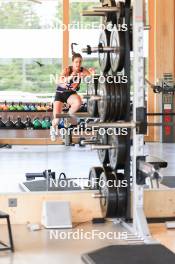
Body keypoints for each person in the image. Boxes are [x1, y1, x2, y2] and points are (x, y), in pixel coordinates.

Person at [50, 53, 94, 141]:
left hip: (70, 94)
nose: (78, 64)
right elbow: (59, 82)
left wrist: (92, 74)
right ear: (73, 62)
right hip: (60, 93)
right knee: (56, 120)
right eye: (76, 62)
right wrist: (70, 77)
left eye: (80, 62)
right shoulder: (67, 70)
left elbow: (91, 79)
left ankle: (66, 117)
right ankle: (53, 129)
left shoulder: (82, 70)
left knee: (78, 102)